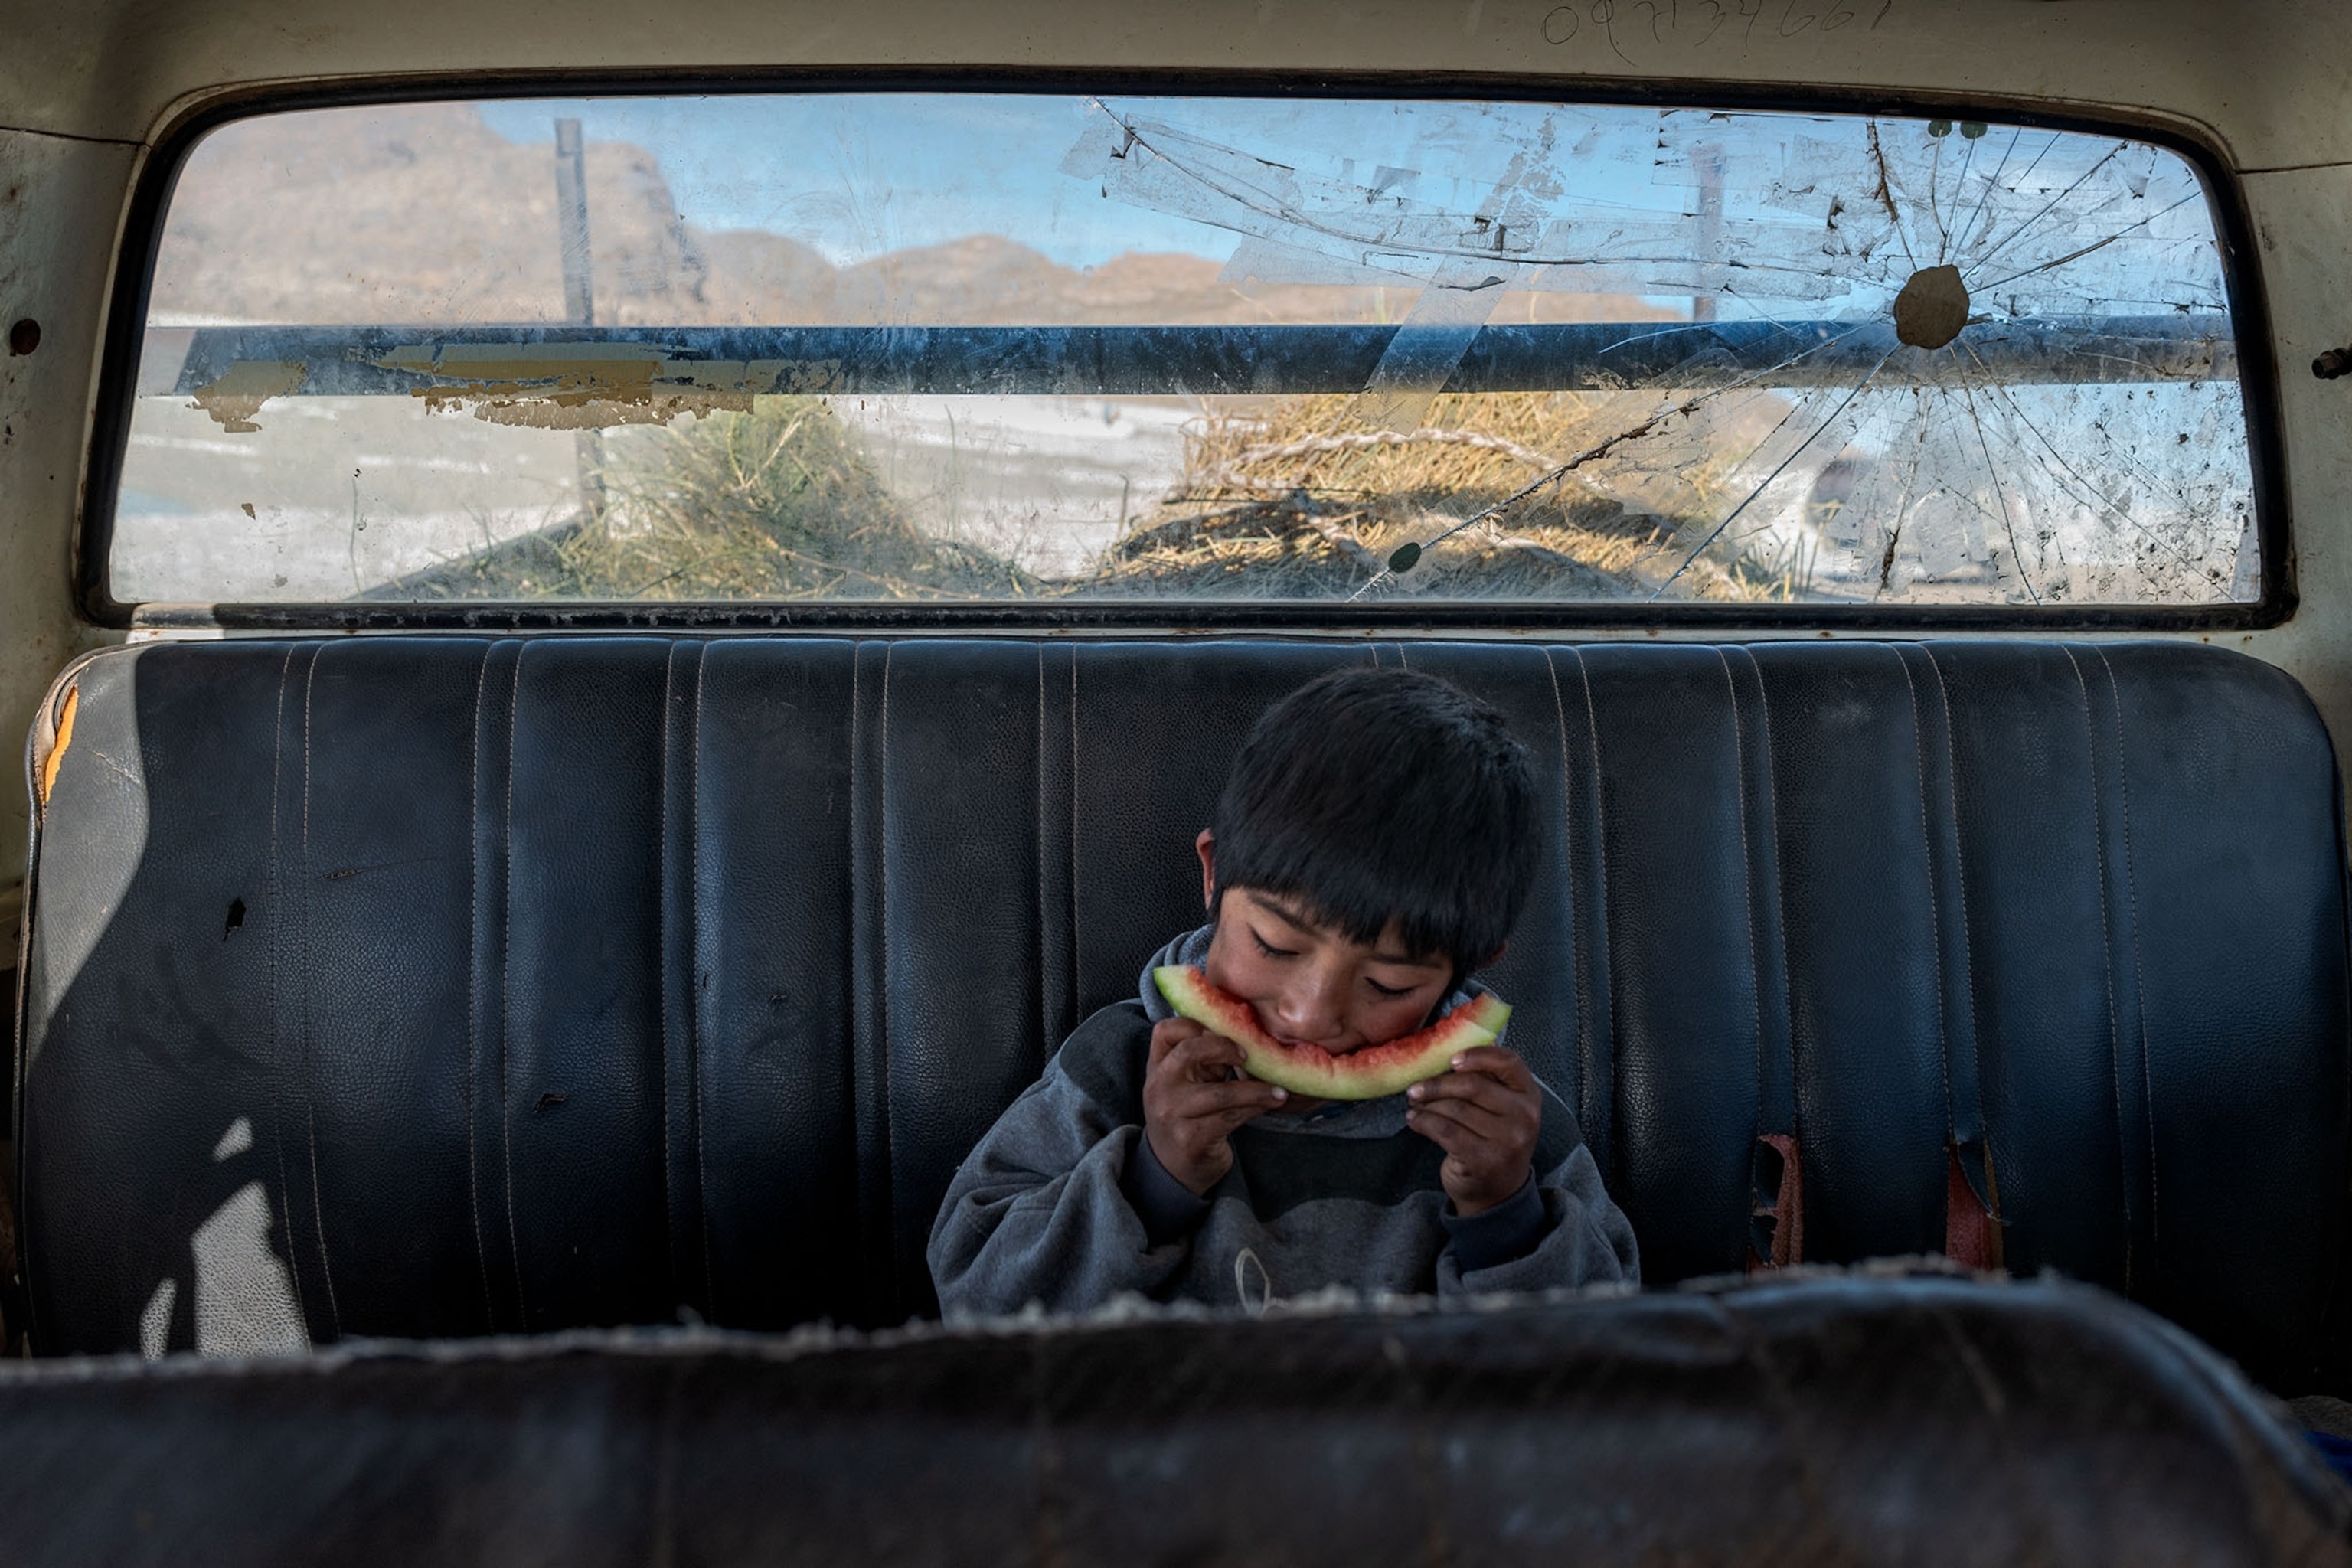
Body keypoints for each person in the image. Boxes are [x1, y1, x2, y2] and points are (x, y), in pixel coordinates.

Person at [926, 665, 1639, 1318]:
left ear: (1468, 967)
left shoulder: (1507, 1130)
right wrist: (1151, 1184)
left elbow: (1604, 1358)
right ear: (1213, 878)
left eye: (1388, 982)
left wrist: (1503, 1215)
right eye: (1274, 945)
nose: (1310, 1014)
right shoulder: (1115, 1069)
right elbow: (974, 1292)